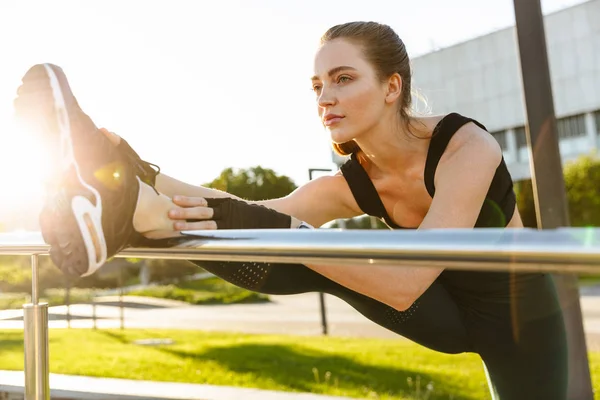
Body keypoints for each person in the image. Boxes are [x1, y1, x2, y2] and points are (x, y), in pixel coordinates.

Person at [14, 21, 567, 399]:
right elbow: (246, 212)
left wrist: (297, 234)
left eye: (344, 79)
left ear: (392, 86)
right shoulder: (352, 182)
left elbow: (406, 281)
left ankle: (140, 211)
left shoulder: (466, 148)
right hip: (438, 309)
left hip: (520, 319)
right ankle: (135, 206)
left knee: (301, 244)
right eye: (317, 85)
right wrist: (134, 163)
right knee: (278, 238)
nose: (325, 97)